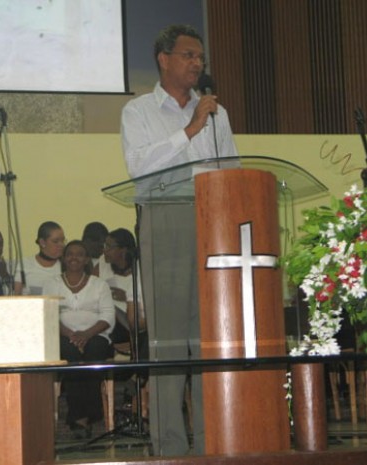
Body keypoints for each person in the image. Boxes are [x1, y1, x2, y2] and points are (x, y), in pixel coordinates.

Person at [120, 24, 239, 456]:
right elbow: (138, 166)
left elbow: (230, 167)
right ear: (163, 59)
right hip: (165, 217)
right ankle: (170, 445)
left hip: (212, 221)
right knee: (168, 340)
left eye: (200, 57)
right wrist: (190, 128)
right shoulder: (138, 111)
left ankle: (211, 440)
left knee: (209, 337)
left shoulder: (217, 114)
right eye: (189, 55)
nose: (197, 63)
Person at [42, 240, 115, 439]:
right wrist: (71, 335)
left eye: (80, 254)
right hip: (63, 336)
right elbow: (48, 315)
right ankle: (86, 416)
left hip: (96, 335)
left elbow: (108, 316)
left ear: (86, 259)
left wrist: (86, 334)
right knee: (71, 354)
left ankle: (80, 417)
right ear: (64, 259)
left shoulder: (99, 284)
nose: (74, 257)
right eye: (70, 254)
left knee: (94, 352)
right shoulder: (51, 283)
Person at [22, 221, 66, 295]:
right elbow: (16, 294)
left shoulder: (66, 266)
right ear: (42, 242)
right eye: (56, 241)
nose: (61, 245)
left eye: (63, 241)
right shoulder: (25, 264)